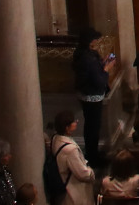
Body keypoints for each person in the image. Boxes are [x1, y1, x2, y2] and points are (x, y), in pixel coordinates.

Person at [72, 28, 113, 165]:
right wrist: (106, 70)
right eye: (95, 40)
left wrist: (102, 63)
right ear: (89, 41)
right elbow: (99, 81)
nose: (97, 42)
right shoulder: (88, 59)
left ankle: (92, 152)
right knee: (93, 127)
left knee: (91, 126)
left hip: (86, 94)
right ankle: (93, 156)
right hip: (92, 96)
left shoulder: (82, 54)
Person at [51, 112, 96, 205]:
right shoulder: (70, 150)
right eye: (74, 121)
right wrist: (91, 172)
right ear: (67, 127)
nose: (76, 122)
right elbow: (82, 174)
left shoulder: (55, 138)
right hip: (73, 191)